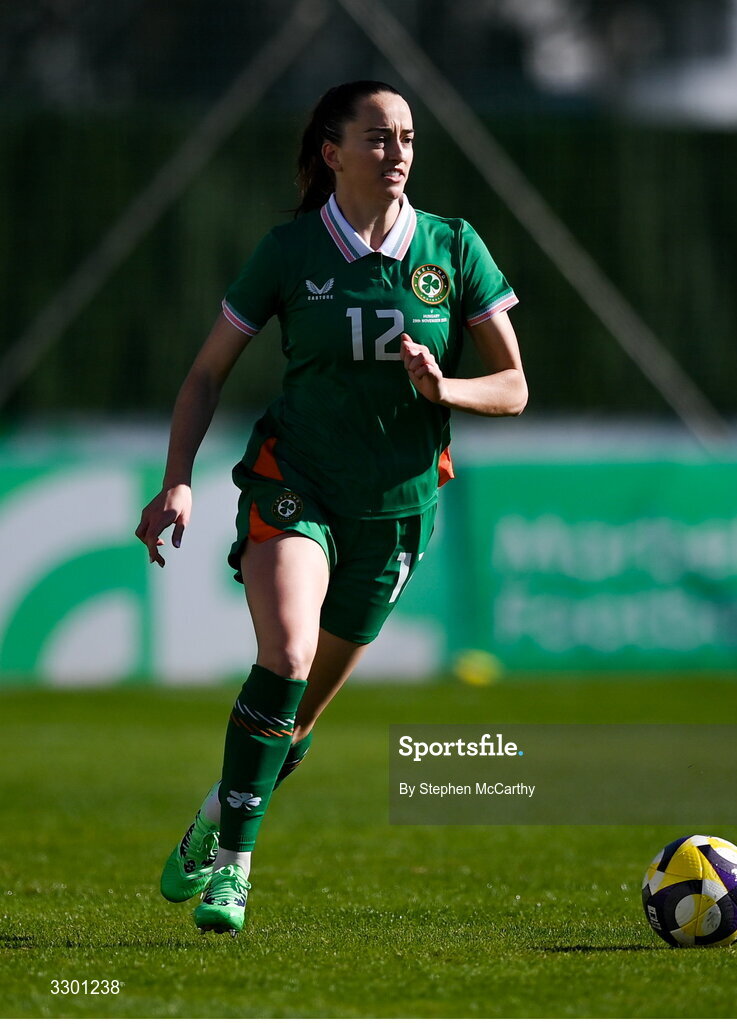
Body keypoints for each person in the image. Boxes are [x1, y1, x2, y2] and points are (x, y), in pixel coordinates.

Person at [135, 80, 527, 936]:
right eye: (379, 137)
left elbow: (513, 385)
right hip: (296, 481)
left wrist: (445, 388)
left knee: (298, 719)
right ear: (332, 151)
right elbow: (205, 374)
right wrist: (178, 478)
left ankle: (215, 816)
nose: (398, 153)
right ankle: (234, 872)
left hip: (398, 509)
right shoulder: (290, 252)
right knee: (287, 655)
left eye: (408, 138)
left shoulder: (454, 246)